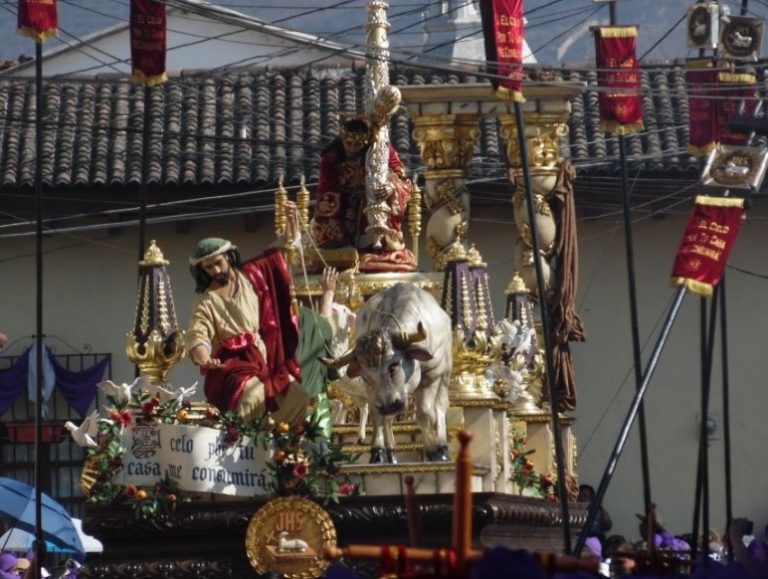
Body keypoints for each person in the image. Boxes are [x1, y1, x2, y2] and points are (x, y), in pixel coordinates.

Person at [186, 210, 308, 424]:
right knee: (254, 396)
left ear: (228, 257)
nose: (215, 270)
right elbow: (198, 334)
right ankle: (240, 446)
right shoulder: (206, 300)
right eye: (209, 267)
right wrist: (205, 358)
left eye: (218, 263)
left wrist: (291, 223)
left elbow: (279, 252)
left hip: (263, 357)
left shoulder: (251, 275)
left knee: (297, 395)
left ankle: (275, 442)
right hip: (231, 366)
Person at [309, 118, 415, 272]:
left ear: (366, 143)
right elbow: (327, 188)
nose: (351, 149)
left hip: (374, 201)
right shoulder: (332, 156)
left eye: (357, 145)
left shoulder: (383, 149)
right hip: (344, 204)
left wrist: (391, 187)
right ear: (342, 140)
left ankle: (377, 249)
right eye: (348, 144)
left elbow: (403, 179)